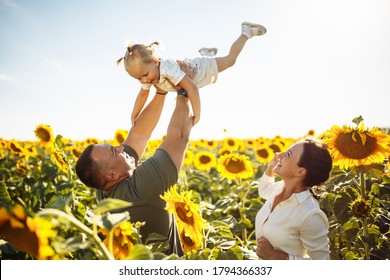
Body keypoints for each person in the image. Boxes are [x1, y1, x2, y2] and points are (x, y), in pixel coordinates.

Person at [75, 92, 194, 256]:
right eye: (114, 152)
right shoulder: (141, 190)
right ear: (112, 176)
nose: (121, 148)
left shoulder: (103, 189)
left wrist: (161, 91)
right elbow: (179, 136)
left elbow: (139, 133)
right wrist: (183, 92)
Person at [116, 21, 267, 126]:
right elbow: (143, 95)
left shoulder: (167, 69)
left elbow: (192, 89)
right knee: (193, 73)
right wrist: (134, 114)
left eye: (145, 74)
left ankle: (246, 32)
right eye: (138, 78)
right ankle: (207, 53)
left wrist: (197, 114)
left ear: (155, 61)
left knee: (230, 60)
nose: (144, 80)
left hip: (201, 69)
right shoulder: (148, 75)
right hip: (191, 70)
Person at [255, 138, 333, 260]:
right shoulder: (279, 188)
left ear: (300, 171)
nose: (279, 155)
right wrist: (271, 167)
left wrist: (276, 256)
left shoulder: (310, 214)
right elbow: (264, 189)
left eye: (288, 154)